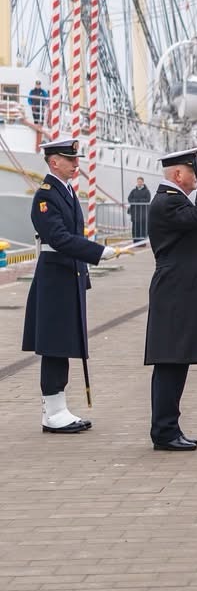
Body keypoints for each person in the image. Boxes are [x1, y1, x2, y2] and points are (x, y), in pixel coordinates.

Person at [21, 139, 130, 433]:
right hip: (54, 280)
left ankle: (59, 409)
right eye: (70, 159)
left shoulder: (66, 191)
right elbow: (58, 238)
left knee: (64, 344)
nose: (75, 164)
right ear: (54, 162)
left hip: (69, 277)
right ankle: (52, 411)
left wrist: (84, 273)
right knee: (54, 346)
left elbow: (73, 235)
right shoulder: (46, 196)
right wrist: (98, 252)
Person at [144, 147, 197, 451]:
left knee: (176, 362)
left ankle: (168, 427)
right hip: (174, 293)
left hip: (180, 292)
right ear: (178, 174)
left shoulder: (173, 201)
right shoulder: (167, 202)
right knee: (170, 362)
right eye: (194, 172)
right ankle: (164, 431)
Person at [127, 176, 151, 242]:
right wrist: (136, 201)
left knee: (143, 228)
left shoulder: (147, 191)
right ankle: (135, 241)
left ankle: (142, 242)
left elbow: (148, 199)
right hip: (135, 214)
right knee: (135, 228)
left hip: (143, 214)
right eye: (138, 182)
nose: (139, 183)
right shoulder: (133, 191)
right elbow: (129, 199)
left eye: (140, 182)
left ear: (143, 182)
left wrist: (138, 201)